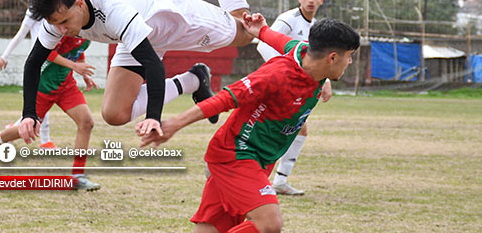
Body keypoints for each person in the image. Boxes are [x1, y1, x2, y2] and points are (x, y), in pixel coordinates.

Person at [16, 0, 256, 141]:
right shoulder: (56, 16)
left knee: (245, 32)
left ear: (79, 4)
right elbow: (34, 62)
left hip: (176, 19)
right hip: (139, 34)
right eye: (55, 23)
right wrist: (29, 114)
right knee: (114, 113)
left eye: (65, 21)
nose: (61, 30)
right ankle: (194, 79)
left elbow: (153, 64)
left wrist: (153, 115)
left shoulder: (113, 13)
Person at [141, 12, 360, 233]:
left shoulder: (303, 52)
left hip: (259, 159)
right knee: (269, 225)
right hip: (236, 155)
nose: (349, 61)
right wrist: (174, 124)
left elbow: (281, 41)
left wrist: (261, 30)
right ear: (332, 57)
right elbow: (224, 99)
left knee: (211, 228)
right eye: (349, 56)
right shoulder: (276, 76)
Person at [0, 9, 100, 191]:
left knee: (87, 122)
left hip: (66, 86)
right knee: (25, 129)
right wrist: (74, 65)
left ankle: (77, 176)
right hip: (44, 86)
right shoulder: (62, 30)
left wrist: (84, 73)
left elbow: (78, 53)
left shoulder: (86, 33)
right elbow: (47, 54)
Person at [256, 0, 332, 196]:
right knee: (281, 128)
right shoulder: (288, 20)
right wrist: (285, 72)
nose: (310, 0)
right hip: (277, 83)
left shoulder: (316, 27)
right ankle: (261, 177)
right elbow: (263, 45)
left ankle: (278, 180)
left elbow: (316, 60)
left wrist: (325, 81)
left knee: (297, 127)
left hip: (296, 87)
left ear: (321, 1)